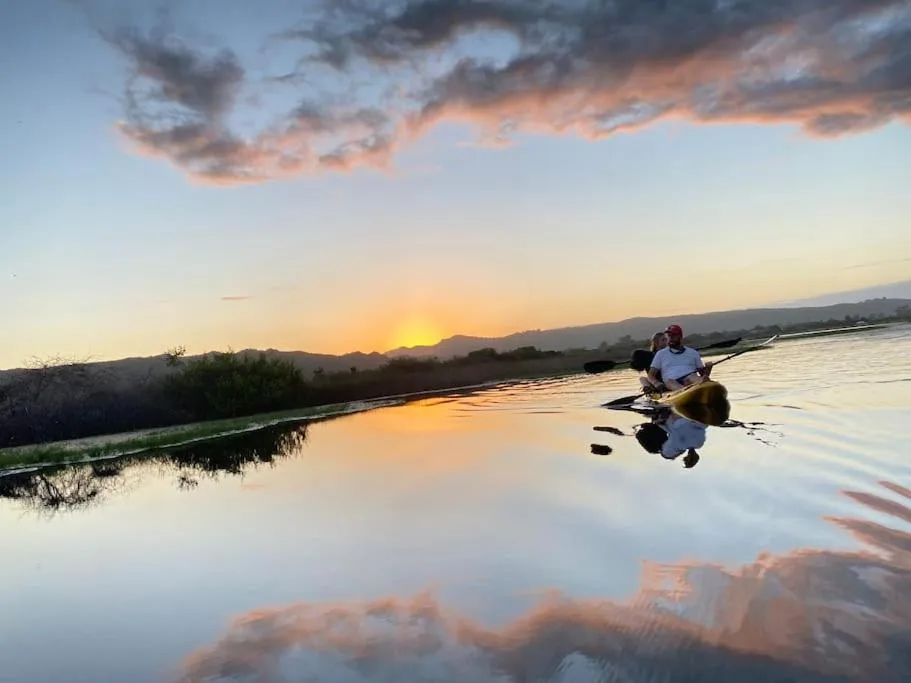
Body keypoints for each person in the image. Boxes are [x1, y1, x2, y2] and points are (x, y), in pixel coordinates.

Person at [646, 324, 713, 392]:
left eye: (673, 336)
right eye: (669, 336)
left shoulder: (693, 353)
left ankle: (703, 384)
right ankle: (684, 391)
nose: (670, 339)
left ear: (680, 337)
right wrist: (656, 383)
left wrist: (708, 368)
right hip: (671, 382)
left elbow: (703, 374)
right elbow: (651, 375)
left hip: (690, 378)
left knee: (693, 376)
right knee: (670, 382)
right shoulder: (660, 354)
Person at [634, 412, 705, 468]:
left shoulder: (699, 444)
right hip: (677, 420)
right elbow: (674, 433)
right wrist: (661, 422)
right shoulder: (680, 447)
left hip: (692, 418)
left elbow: (702, 428)